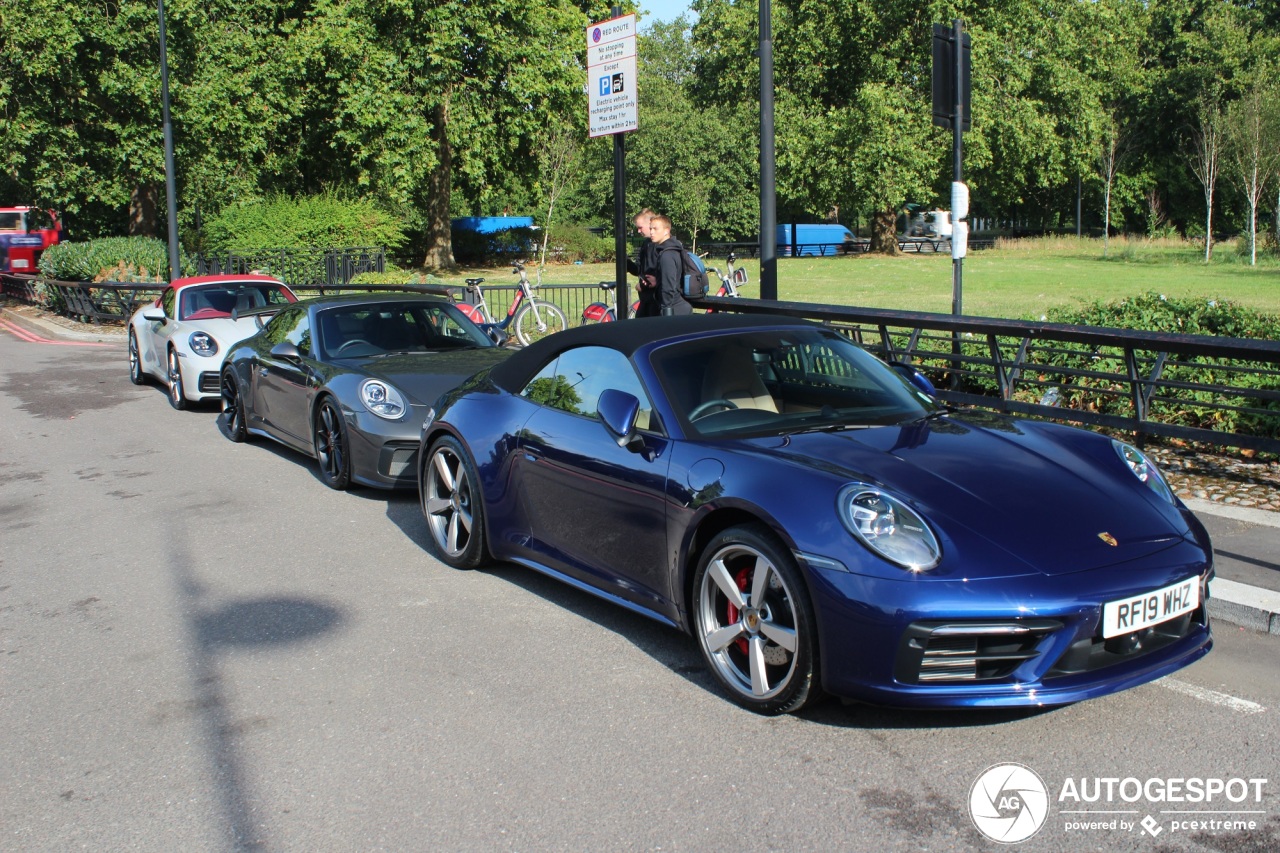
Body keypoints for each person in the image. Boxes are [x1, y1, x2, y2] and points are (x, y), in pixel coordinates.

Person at [644, 214, 693, 317]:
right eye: (650, 228)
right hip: (677, 307)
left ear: (666, 231)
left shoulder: (667, 255)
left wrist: (666, 310)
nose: (651, 232)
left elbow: (668, 286)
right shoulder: (672, 249)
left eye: (655, 229)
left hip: (674, 309)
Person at [628, 209, 659, 317]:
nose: (638, 231)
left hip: (657, 301)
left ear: (651, 223)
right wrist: (626, 263)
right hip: (646, 300)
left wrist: (643, 285)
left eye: (640, 227)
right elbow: (638, 270)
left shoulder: (661, 245)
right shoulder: (646, 244)